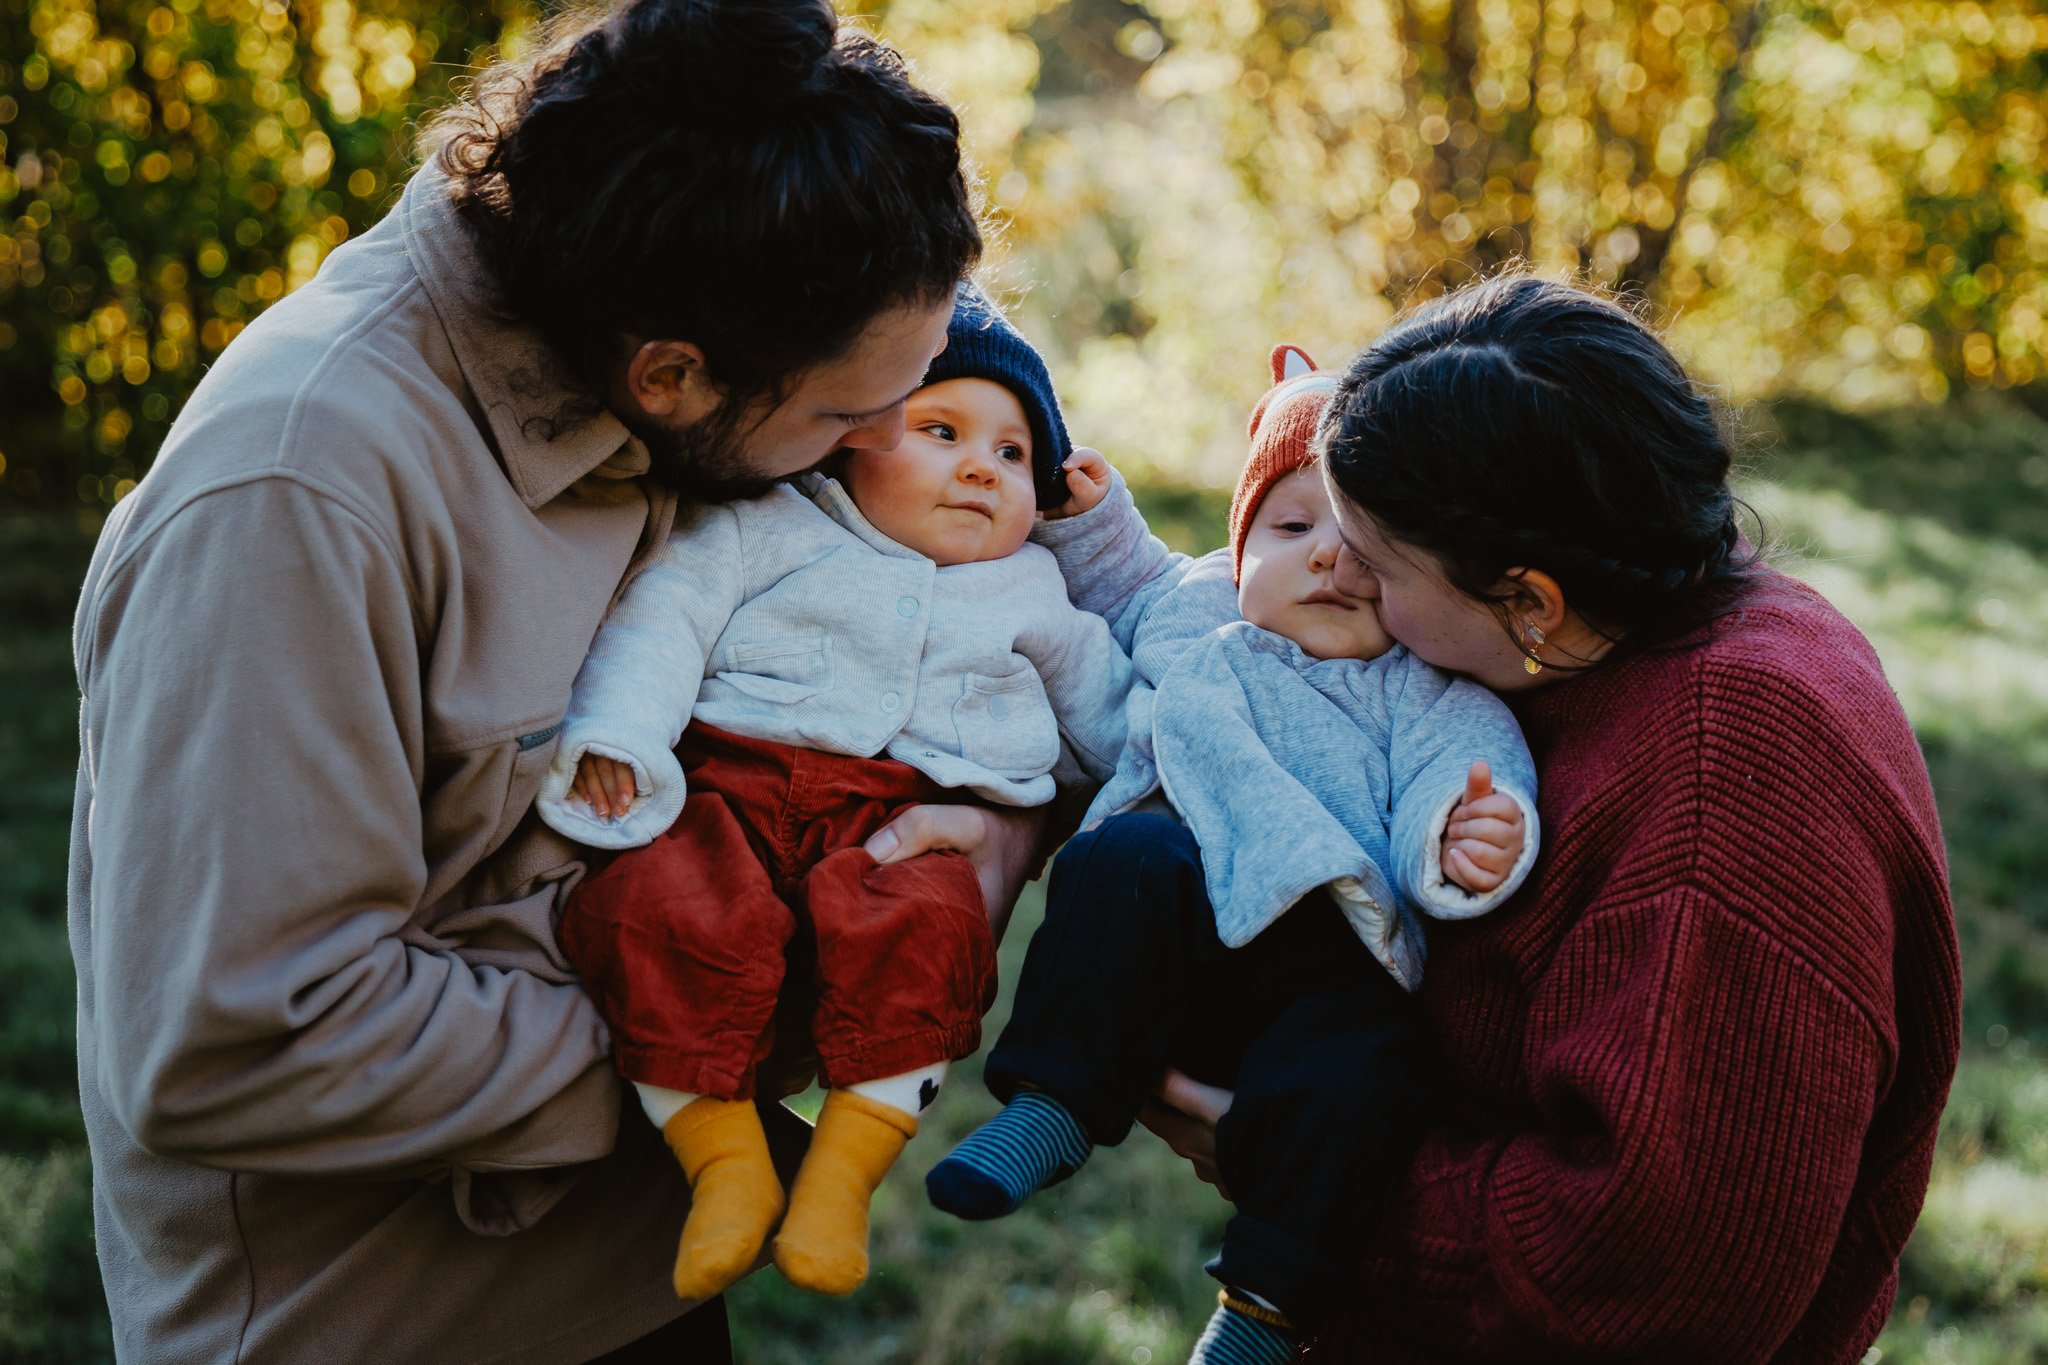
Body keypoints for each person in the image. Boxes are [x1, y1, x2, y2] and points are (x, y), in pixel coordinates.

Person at [65, 1, 1042, 1359]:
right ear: (671, 379)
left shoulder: (755, 289)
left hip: (651, 1287)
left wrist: (996, 831)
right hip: (401, 1325)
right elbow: (244, 1039)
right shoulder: (296, 496)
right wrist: (759, 1013)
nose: (883, 448)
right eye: (839, 420)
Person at [1131, 276, 1961, 1362]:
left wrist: (1298, 1161)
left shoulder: (1725, 787)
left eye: (1375, 568)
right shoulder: (1642, 612)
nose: (1345, 584)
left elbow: (1643, 1279)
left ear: (1529, 602)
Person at [927, 345, 1540, 1363]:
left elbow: (1464, 768)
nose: (1328, 561)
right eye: (1293, 528)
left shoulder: (1422, 685)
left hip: (1325, 965)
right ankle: (1053, 1105)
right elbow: (1129, 580)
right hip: (1174, 932)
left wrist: (1468, 830)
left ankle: (1262, 1307)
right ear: (1239, 549)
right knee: (1119, 860)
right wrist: (1089, 515)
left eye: (1366, 547)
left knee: (1375, 1073)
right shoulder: (1201, 614)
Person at [534, 285, 1132, 1302]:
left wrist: (1142, 797)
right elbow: (663, 620)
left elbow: (1113, 727)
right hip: (727, 786)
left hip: (897, 819)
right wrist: (623, 737)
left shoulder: (1035, 593)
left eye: (1012, 455)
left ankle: (838, 1180)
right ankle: (721, 1160)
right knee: (658, 909)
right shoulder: (769, 526)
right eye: (940, 430)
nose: (980, 467)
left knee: (933, 932)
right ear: (851, 441)